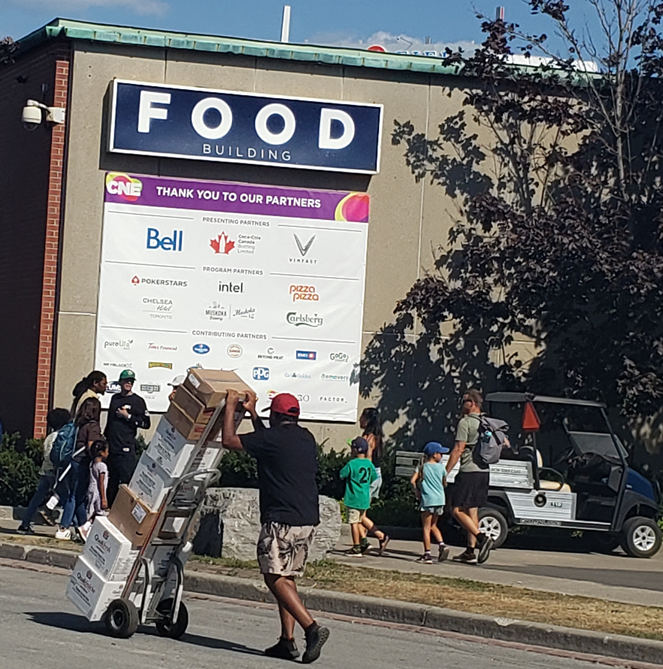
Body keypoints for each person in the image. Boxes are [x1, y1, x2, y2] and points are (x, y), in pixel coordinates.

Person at [222, 390, 330, 664]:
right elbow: (266, 441)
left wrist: (231, 407)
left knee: (273, 576)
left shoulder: (272, 439)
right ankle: (287, 641)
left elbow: (229, 440)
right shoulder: (305, 438)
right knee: (287, 576)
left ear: (276, 415)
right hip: (306, 518)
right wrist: (254, 414)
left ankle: (311, 628)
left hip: (281, 519)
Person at [446, 389, 494, 564]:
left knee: (456, 509)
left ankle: (482, 538)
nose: (462, 404)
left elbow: (458, 449)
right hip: (484, 471)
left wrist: (446, 472)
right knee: (471, 509)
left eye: (464, 401)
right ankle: (470, 551)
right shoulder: (487, 422)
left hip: (469, 471)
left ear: (472, 403)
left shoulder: (465, 423)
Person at [17, 408, 71, 535]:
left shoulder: (49, 437)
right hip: (55, 470)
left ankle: (24, 524)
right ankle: (60, 520)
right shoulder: (61, 437)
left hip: (44, 471)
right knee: (66, 496)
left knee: (36, 498)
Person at [57, 397, 103, 540]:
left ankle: (83, 526)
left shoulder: (78, 424)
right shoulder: (93, 426)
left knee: (79, 496)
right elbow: (91, 446)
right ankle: (63, 527)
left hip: (72, 461)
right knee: (74, 496)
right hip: (82, 463)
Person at [105, 369, 150, 506]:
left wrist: (128, 417)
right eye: (126, 381)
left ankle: (126, 509)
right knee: (111, 480)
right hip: (112, 447)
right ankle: (110, 508)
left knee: (127, 480)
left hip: (126, 447)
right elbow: (110, 421)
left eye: (131, 381)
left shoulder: (138, 401)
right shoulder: (115, 398)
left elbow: (146, 423)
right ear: (120, 382)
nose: (128, 383)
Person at [340, 437, 390, 557]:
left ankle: (356, 547)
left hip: (353, 497)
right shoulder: (369, 463)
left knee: (353, 523)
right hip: (364, 497)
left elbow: (342, 474)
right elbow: (374, 477)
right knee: (361, 519)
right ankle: (372, 539)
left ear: (356, 450)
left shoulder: (351, 464)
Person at [410, 441, 450, 564]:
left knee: (426, 527)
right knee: (434, 525)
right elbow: (444, 482)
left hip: (428, 499)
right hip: (440, 499)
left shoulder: (422, 467)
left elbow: (412, 480)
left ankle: (427, 554)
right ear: (434, 454)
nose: (442, 456)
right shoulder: (441, 468)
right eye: (440, 453)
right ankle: (442, 544)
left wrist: (416, 491)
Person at [87, 440, 109, 520]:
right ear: (102, 453)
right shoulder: (102, 466)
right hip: (98, 493)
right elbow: (101, 482)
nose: (108, 453)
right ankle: (85, 526)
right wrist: (103, 498)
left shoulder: (92, 464)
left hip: (91, 489)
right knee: (100, 513)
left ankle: (86, 527)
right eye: (107, 451)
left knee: (91, 511)